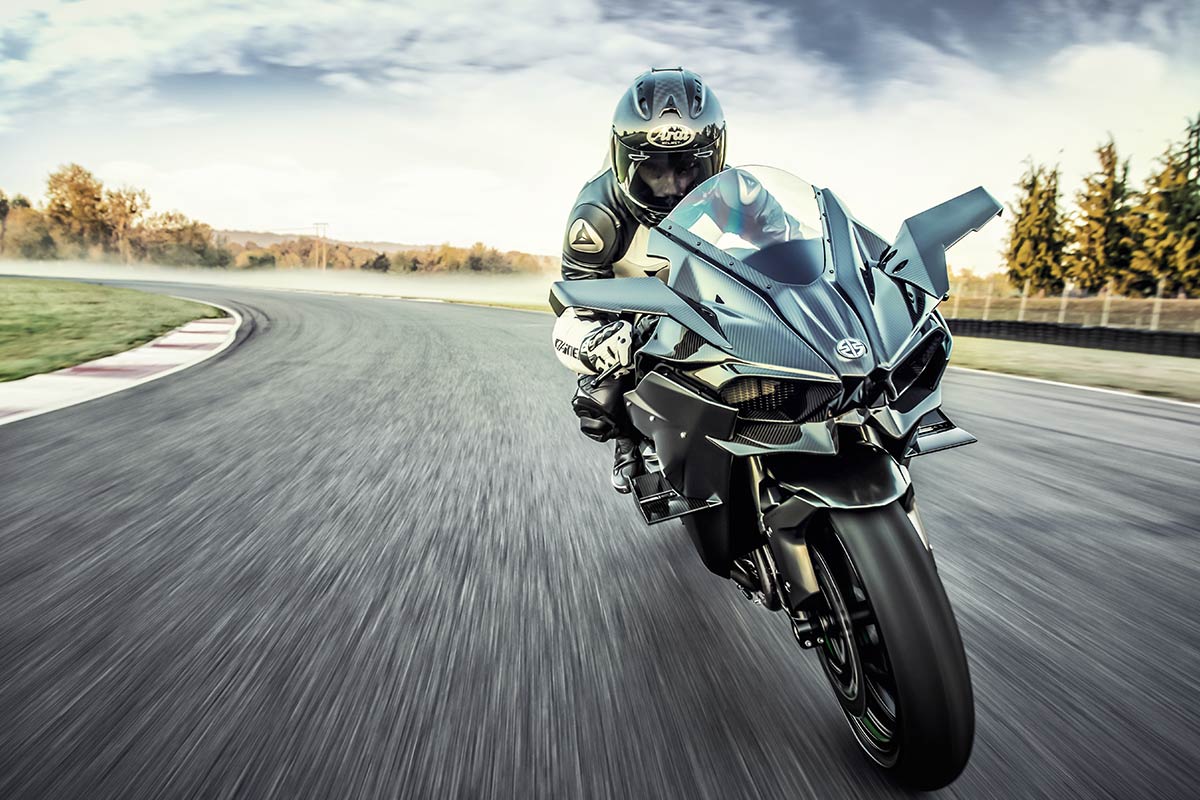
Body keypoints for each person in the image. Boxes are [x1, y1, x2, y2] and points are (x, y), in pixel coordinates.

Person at [551, 67, 727, 493]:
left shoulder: (734, 191)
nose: (672, 187)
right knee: (601, 399)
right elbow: (581, 301)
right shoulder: (596, 216)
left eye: (687, 168)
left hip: (719, 297)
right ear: (624, 160)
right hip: (632, 312)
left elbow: (787, 238)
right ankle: (630, 439)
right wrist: (605, 357)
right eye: (654, 170)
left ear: (713, 158)